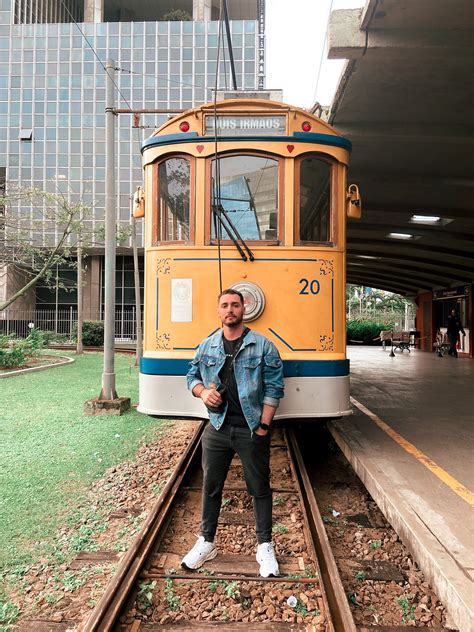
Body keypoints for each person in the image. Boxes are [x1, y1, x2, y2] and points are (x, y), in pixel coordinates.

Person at [181, 288, 284, 577]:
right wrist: (202, 393)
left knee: (259, 489)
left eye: (235, 305)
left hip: (250, 429)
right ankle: (207, 541)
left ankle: (264, 545)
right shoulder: (207, 346)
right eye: (225, 305)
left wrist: (263, 426)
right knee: (211, 487)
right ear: (219, 311)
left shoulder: (263, 346)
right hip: (216, 428)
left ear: (244, 309)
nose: (230, 310)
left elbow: (275, 387)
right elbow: (191, 375)